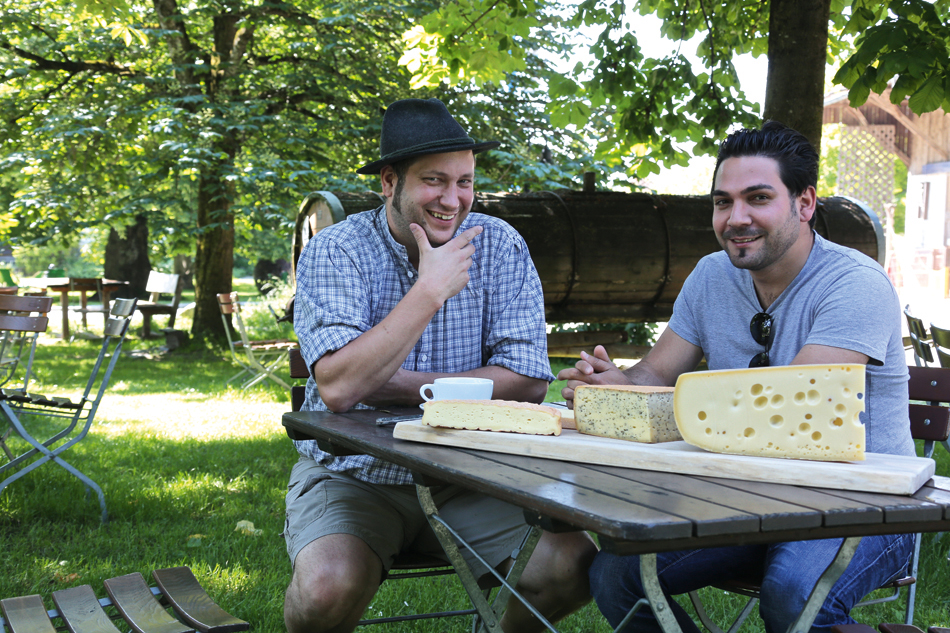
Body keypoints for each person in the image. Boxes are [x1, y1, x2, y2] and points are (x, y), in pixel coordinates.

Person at [558, 121, 915, 633]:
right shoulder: (711, 275)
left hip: (865, 509)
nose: (736, 218)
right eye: (723, 202)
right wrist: (613, 384)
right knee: (617, 573)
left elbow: (792, 412)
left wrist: (663, 406)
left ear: (805, 203)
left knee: (793, 593)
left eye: (758, 198)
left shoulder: (856, 284)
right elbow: (653, 372)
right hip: (748, 502)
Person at [284, 98, 597, 633]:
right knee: (324, 591)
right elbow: (338, 388)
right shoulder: (336, 250)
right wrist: (428, 291)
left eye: (465, 181)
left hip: (477, 477)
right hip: (355, 477)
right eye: (434, 180)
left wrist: (391, 384)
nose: (453, 200)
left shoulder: (500, 245)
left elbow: (526, 381)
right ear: (389, 182)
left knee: (572, 564)